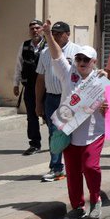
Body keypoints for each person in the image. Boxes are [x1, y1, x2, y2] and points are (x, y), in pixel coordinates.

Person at [41, 21, 107, 219]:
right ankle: (78, 206)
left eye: (86, 59)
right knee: (72, 171)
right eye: (79, 58)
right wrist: (48, 35)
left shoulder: (101, 80)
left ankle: (95, 200)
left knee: (90, 167)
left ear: (94, 61)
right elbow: (56, 55)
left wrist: (106, 109)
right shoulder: (67, 73)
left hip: (93, 133)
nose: (82, 62)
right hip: (69, 132)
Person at [35, 20, 77, 182]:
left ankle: (73, 165)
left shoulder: (76, 51)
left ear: (68, 34)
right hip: (51, 98)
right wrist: (39, 103)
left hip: (70, 99)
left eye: (60, 33)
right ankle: (56, 167)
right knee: (55, 133)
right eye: (54, 33)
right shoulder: (45, 53)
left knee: (71, 133)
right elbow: (40, 78)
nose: (57, 36)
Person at [14, 19, 46, 155]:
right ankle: (34, 144)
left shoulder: (48, 45)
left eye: (37, 28)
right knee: (31, 117)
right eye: (32, 28)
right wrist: (15, 84)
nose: (35, 30)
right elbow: (18, 65)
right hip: (29, 87)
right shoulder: (24, 45)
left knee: (49, 116)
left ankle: (56, 142)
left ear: (42, 29)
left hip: (46, 87)